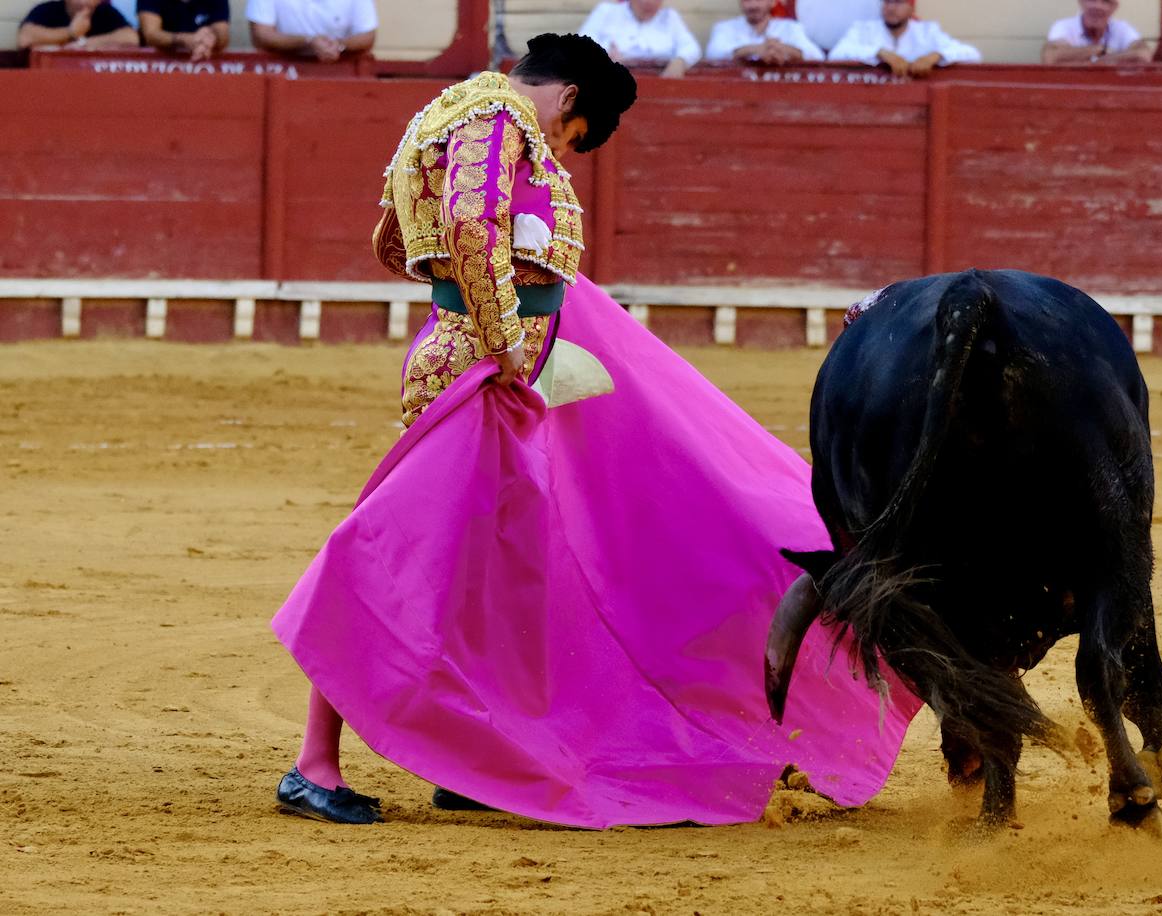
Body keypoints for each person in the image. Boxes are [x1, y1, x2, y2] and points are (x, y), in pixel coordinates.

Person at [271, 32, 920, 828]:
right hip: (484, 368)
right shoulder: (498, 115)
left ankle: (466, 759)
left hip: (477, 357)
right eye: (571, 139)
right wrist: (509, 344)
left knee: (490, 569)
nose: (560, 150)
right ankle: (314, 764)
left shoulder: (449, 115)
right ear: (569, 98)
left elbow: (397, 241)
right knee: (401, 556)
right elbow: (471, 229)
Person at [827, 0, 980, 77]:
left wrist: (936, 56)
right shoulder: (863, 29)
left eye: (899, 2)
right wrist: (880, 53)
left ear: (911, 8)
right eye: (888, 1)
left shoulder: (927, 31)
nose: (891, 8)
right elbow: (836, 53)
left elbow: (973, 54)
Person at [577, 0, 701, 78]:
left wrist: (680, 61)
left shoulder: (669, 17)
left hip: (658, 86)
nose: (649, 2)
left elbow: (691, 47)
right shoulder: (607, 11)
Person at [245, 0, 376, 62]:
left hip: (340, 72)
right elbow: (260, 36)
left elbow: (367, 36)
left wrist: (339, 45)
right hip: (281, 69)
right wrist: (308, 42)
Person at [705, 0, 824, 65]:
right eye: (747, 0)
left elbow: (817, 56)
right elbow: (713, 53)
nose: (753, 5)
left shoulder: (790, 27)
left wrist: (783, 49)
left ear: (772, 2)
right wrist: (755, 50)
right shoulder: (725, 28)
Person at [1042, 0, 1151, 65]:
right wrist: (1099, 50)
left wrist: (1101, 60)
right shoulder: (1064, 26)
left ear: (1114, 7)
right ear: (1081, 2)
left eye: (1106, 1)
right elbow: (1050, 57)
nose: (1097, 6)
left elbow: (1143, 54)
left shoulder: (1122, 28)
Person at [17, 0, 138, 50]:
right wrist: (71, 32)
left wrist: (82, 44)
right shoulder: (47, 10)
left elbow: (131, 38)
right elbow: (25, 38)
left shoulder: (106, 12)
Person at [137, 0, 229, 62]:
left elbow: (223, 34)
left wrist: (210, 37)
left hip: (203, 63)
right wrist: (184, 40)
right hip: (157, 66)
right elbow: (151, 35)